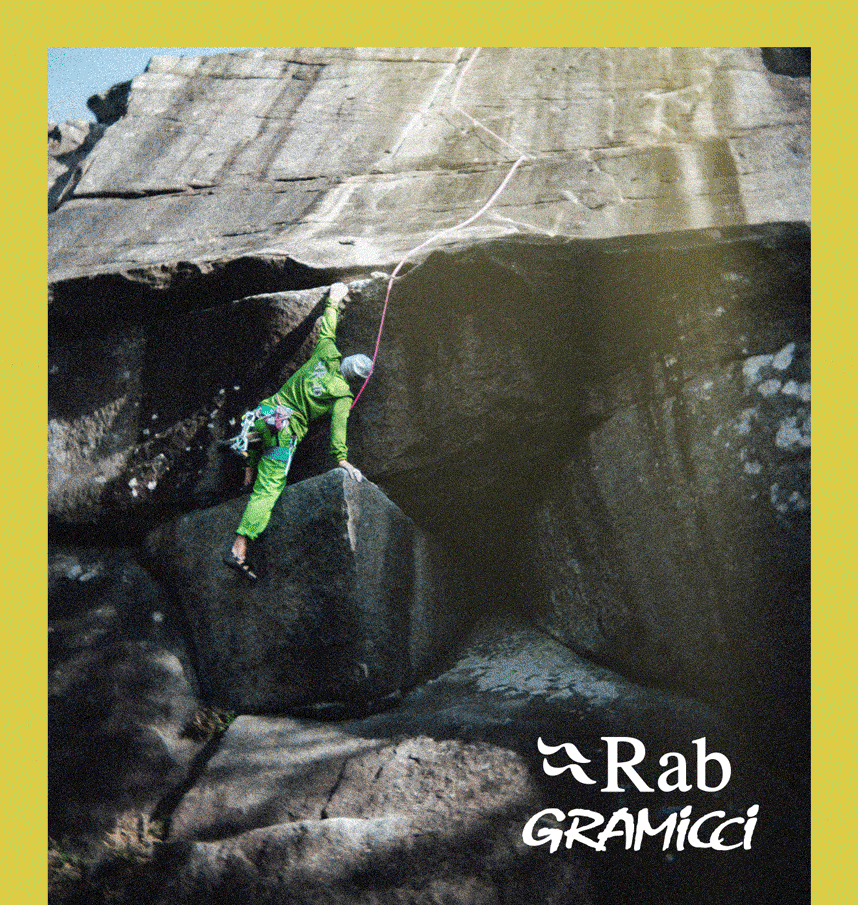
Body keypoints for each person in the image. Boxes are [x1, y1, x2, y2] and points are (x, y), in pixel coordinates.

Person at [223, 282, 372, 581]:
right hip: (284, 434)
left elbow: (328, 327)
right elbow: (337, 430)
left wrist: (334, 299)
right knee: (270, 490)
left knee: (262, 435)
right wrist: (341, 459)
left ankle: (247, 464)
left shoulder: (326, 353)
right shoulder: (342, 397)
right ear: (355, 382)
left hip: (267, 411)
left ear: (344, 361)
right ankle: (238, 549)